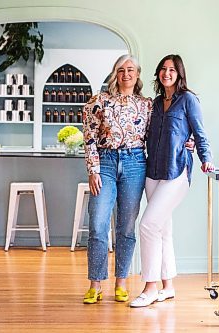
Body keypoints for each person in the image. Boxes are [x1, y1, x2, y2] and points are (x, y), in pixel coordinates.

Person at [130, 54, 215, 308]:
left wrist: (205, 157)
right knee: (162, 230)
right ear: (158, 73)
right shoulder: (155, 104)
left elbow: (199, 132)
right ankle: (168, 286)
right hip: (152, 171)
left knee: (147, 225)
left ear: (179, 74)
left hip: (177, 171)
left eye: (172, 70)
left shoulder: (188, 100)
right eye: (163, 69)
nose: (167, 73)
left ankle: (150, 288)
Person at [82, 54, 151, 304]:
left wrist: (187, 143)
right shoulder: (98, 101)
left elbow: (161, 134)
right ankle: (95, 284)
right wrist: (93, 169)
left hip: (135, 164)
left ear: (137, 74)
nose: (126, 74)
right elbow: (89, 137)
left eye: (130, 69)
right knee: (98, 225)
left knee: (126, 227)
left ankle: (121, 282)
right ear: (115, 74)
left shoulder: (146, 105)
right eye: (121, 70)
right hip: (106, 163)